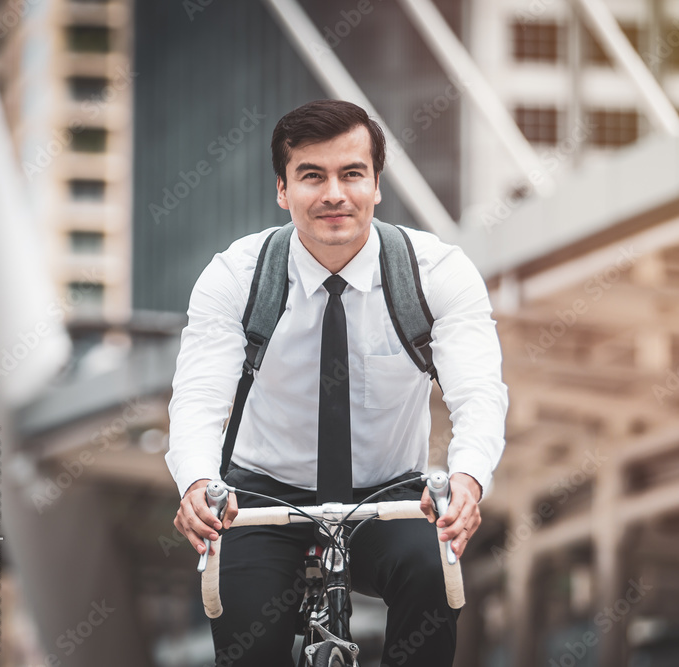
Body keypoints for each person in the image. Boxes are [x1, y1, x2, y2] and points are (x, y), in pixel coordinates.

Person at [165, 99, 508, 666]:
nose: (334, 194)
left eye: (352, 173)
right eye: (311, 176)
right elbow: (200, 397)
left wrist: (469, 479)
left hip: (389, 492)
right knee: (245, 628)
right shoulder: (235, 276)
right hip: (261, 495)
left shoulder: (437, 273)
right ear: (282, 189)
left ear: (376, 184)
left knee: (434, 574)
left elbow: (478, 393)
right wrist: (197, 481)